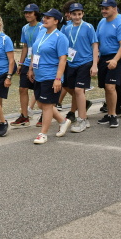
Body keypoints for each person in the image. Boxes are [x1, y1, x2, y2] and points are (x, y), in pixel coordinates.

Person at [28, 9, 72, 144]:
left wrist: (58, 79)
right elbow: (35, 52)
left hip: (51, 76)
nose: (44, 19)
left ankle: (43, 133)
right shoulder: (41, 33)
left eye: (48, 17)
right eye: (44, 17)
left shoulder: (60, 38)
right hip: (39, 74)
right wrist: (31, 69)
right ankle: (63, 121)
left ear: (56, 21)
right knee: (41, 104)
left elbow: (63, 60)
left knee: (47, 105)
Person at [62, 3, 98, 133]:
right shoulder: (66, 28)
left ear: (82, 14)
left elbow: (95, 46)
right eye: (74, 14)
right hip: (71, 63)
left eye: (79, 14)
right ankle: (84, 118)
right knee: (76, 91)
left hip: (85, 61)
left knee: (78, 90)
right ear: (69, 15)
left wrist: (94, 65)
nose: (77, 17)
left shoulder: (88, 27)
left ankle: (81, 119)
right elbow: (61, 43)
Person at [95, 0, 121, 128]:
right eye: (102, 8)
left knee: (111, 86)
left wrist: (115, 59)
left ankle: (114, 115)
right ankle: (109, 114)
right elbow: (97, 41)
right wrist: (96, 55)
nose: (104, 10)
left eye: (106, 8)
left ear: (114, 8)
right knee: (106, 87)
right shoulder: (101, 22)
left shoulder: (120, 23)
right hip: (103, 58)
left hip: (116, 58)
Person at [12, 3, 42, 128]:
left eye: (30, 12)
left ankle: (44, 115)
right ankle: (24, 116)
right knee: (22, 88)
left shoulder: (42, 27)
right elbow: (25, 46)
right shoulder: (24, 28)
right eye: (26, 12)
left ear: (36, 14)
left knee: (39, 89)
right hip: (26, 61)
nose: (27, 15)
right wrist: (20, 63)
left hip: (38, 61)